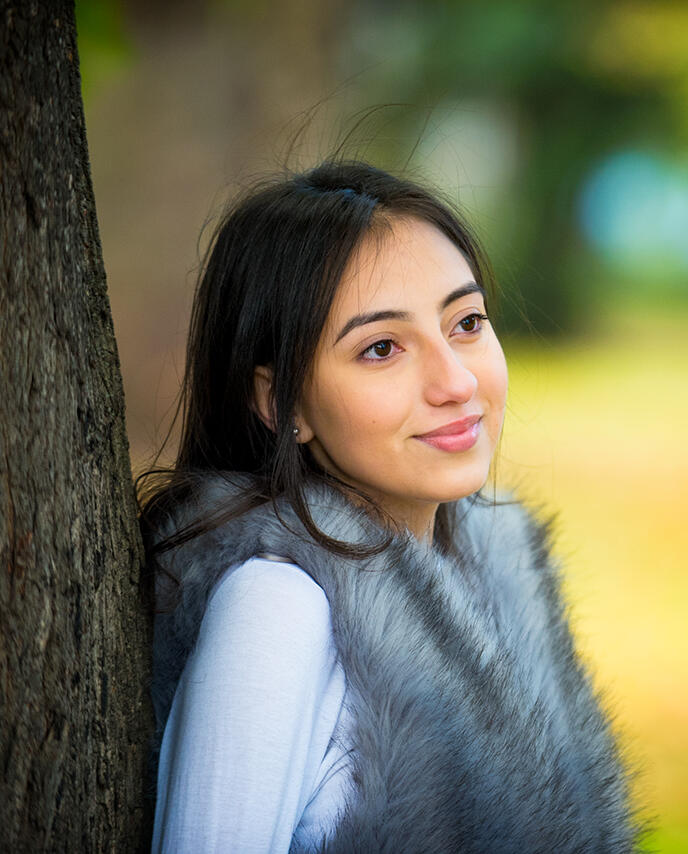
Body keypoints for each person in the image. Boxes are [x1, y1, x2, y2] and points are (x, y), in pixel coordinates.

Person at [140, 161, 638, 853]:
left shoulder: (496, 580)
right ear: (280, 404)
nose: (457, 381)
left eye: (466, 322)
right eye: (381, 348)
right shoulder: (275, 608)